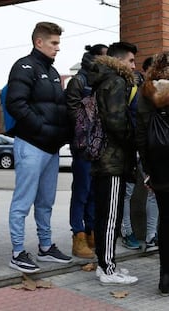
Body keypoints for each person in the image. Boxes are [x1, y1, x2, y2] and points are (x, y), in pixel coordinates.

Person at [6, 21, 72, 274]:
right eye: (54, 43)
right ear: (39, 42)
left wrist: (62, 135)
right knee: (22, 202)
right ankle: (17, 252)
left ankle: (45, 247)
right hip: (31, 145)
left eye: (58, 43)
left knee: (46, 202)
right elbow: (16, 104)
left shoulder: (53, 73)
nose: (58, 48)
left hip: (51, 149)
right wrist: (43, 130)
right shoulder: (24, 66)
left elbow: (60, 109)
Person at [86, 42, 139, 285]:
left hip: (105, 159)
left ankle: (105, 264)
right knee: (110, 217)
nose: (134, 66)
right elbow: (116, 122)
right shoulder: (116, 82)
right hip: (112, 160)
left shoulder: (104, 80)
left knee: (105, 215)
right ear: (118, 61)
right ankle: (107, 269)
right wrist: (134, 139)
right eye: (130, 61)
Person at [66, 44, 108, 259]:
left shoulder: (101, 81)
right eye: (104, 57)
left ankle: (91, 231)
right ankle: (78, 234)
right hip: (83, 146)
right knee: (81, 192)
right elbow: (73, 114)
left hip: (98, 146)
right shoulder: (78, 82)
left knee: (93, 193)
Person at [136, 51, 169, 296]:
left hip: (158, 168)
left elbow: (141, 137)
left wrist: (147, 171)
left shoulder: (144, 93)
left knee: (165, 221)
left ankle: (165, 278)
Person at [121, 56, 159, 251]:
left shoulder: (158, 91)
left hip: (149, 148)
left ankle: (152, 236)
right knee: (127, 192)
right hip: (132, 147)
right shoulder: (136, 89)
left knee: (153, 193)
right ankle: (127, 231)